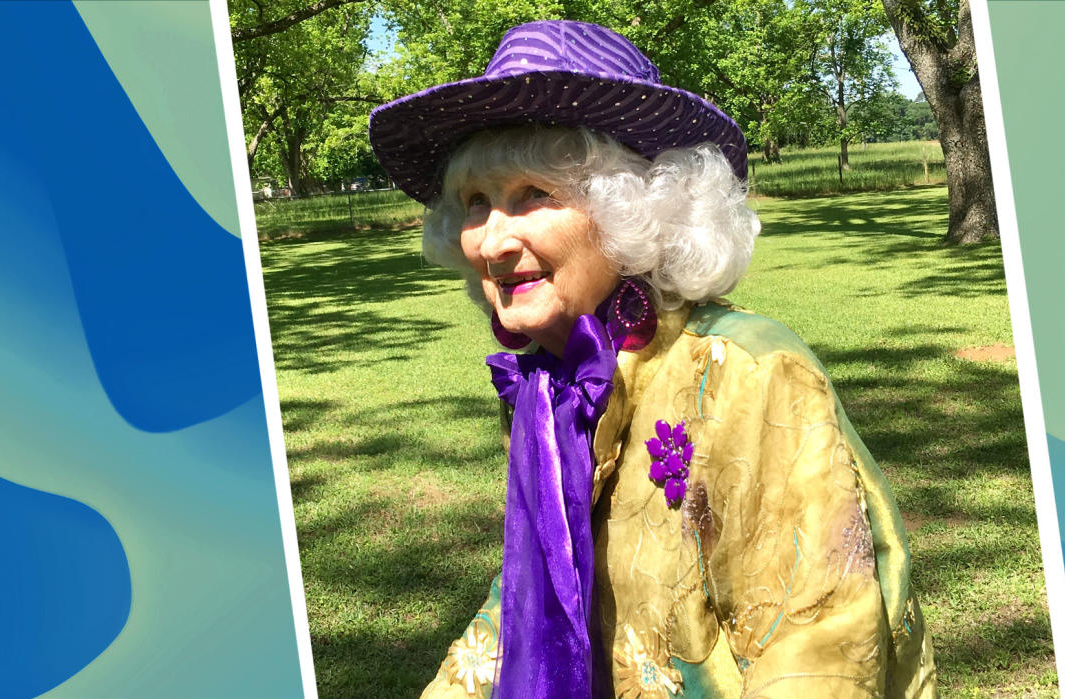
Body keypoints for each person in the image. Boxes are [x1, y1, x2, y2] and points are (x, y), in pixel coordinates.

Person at [369, 20, 936, 699]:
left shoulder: (743, 374)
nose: (492, 240)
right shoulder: (548, 388)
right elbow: (532, 588)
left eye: (532, 196)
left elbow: (817, 648)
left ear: (631, 211)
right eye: (475, 203)